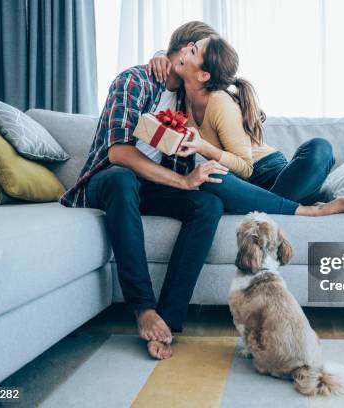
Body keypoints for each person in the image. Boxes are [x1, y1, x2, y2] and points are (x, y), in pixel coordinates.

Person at [60, 21, 226, 360]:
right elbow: (117, 153)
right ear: (181, 50)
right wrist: (182, 181)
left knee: (208, 204)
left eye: (203, 59)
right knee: (122, 178)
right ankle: (143, 308)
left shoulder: (187, 99)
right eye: (197, 51)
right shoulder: (133, 80)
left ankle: (168, 318)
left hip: (150, 184)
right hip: (106, 180)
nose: (200, 61)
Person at [149, 35, 344, 216]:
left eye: (192, 50)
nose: (184, 49)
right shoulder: (181, 94)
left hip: (271, 173)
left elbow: (247, 168)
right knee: (208, 176)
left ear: (204, 75)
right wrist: (159, 55)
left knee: (320, 147)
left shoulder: (219, 101)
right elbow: (171, 56)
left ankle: (300, 209)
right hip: (242, 186)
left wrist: (203, 147)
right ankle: (294, 206)